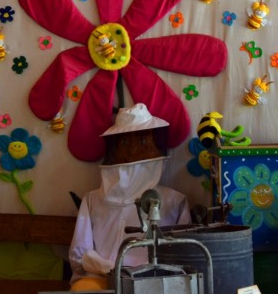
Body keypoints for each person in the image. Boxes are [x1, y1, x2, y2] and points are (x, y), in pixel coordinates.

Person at [68, 103, 191, 291]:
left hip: (153, 282)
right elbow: (79, 255)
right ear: (115, 147)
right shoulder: (93, 199)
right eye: (125, 143)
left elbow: (183, 256)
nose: (133, 151)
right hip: (101, 281)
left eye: (141, 142)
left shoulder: (175, 201)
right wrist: (111, 269)